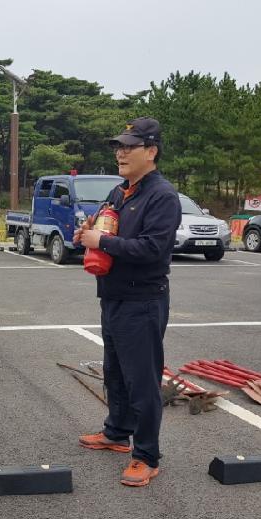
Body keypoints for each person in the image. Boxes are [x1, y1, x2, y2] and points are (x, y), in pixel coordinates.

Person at [73, 117, 181, 487]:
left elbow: (153, 249)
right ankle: (117, 432)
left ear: (151, 152)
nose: (120, 152)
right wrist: (88, 235)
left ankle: (146, 456)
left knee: (142, 380)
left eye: (129, 147)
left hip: (143, 300)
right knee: (115, 371)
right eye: (119, 146)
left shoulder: (162, 196)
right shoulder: (120, 192)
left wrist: (101, 242)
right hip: (114, 295)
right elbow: (108, 228)